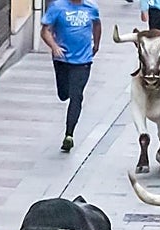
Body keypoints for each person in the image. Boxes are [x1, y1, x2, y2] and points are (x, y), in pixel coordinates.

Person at [41, 0, 101, 152]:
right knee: (63, 94)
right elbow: (45, 31)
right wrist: (54, 47)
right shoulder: (57, 6)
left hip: (83, 60)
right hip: (63, 59)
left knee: (77, 95)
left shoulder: (91, 7)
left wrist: (96, 45)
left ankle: (69, 135)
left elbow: (97, 25)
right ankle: (65, 94)